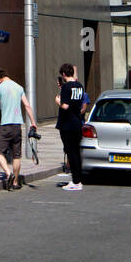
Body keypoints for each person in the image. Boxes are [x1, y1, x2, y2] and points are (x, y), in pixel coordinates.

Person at [0, 68, 37, 191]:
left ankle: (8, 174)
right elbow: (27, 106)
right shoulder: (19, 87)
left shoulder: (0, 88)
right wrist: (33, 123)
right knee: (16, 155)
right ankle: (15, 182)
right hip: (17, 126)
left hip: (5, 125)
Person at [55, 63, 88, 192]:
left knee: (71, 152)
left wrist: (58, 101)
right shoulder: (80, 86)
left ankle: (76, 181)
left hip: (67, 124)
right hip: (77, 122)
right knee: (76, 152)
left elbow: (65, 106)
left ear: (63, 74)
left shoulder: (66, 87)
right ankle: (77, 179)